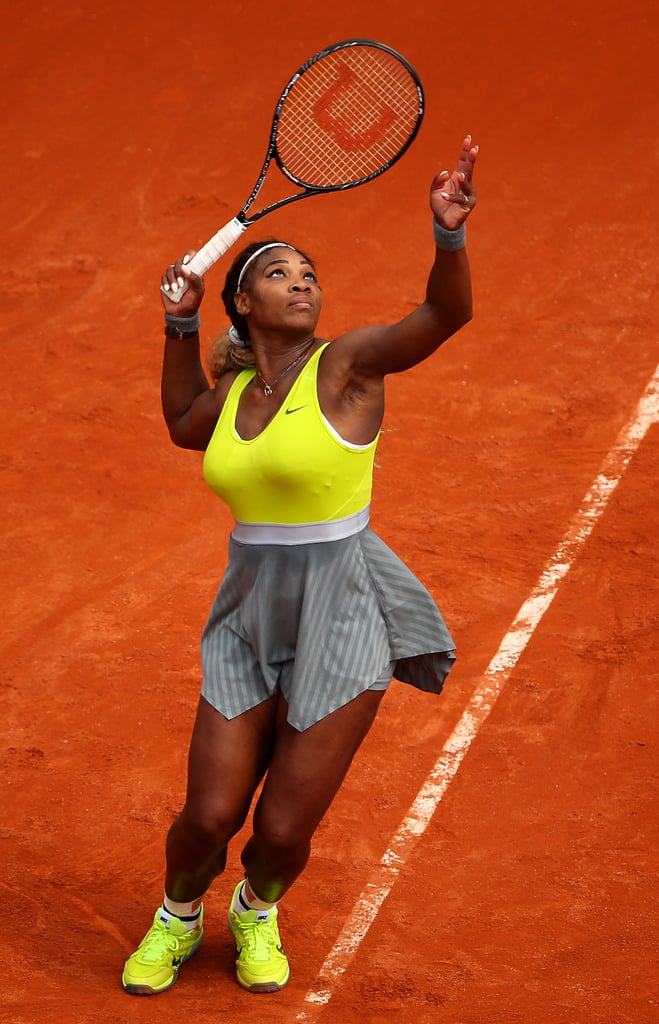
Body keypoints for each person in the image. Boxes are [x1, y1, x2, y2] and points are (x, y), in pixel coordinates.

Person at [121, 135, 479, 997]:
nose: (303, 282)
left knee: (279, 832)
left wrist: (449, 234)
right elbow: (181, 425)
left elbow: (440, 320)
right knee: (208, 814)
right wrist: (178, 321)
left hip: (344, 610)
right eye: (280, 273)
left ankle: (254, 907)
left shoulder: (348, 365)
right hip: (248, 612)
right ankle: (177, 915)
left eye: (309, 273)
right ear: (242, 303)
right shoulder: (236, 394)